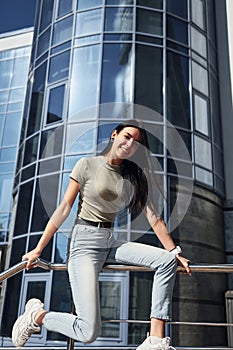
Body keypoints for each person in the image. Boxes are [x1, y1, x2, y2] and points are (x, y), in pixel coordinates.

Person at [12, 120, 191, 350]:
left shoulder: (132, 177)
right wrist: (38, 248)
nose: (129, 144)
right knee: (88, 331)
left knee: (166, 261)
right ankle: (37, 315)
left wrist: (175, 251)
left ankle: (155, 340)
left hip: (109, 241)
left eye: (136, 143)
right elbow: (64, 207)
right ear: (114, 135)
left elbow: (154, 217)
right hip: (84, 244)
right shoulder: (86, 165)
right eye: (127, 136)